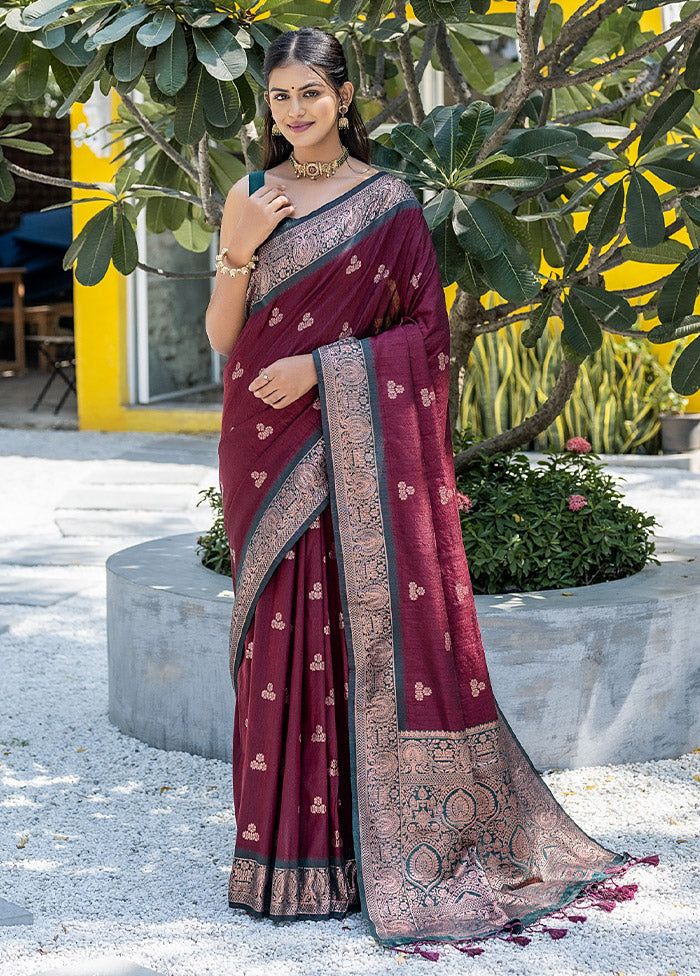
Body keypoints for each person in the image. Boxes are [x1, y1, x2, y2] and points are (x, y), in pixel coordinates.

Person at [206, 25, 657, 957]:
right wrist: (239, 249)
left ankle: (361, 855)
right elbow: (222, 338)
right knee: (279, 630)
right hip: (263, 443)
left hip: (334, 427)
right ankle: (282, 856)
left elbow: (424, 336)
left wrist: (324, 370)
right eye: (279, 98)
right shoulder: (248, 195)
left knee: (351, 627)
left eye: (310, 95)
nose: (293, 113)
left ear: (344, 96)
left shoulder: (392, 202)